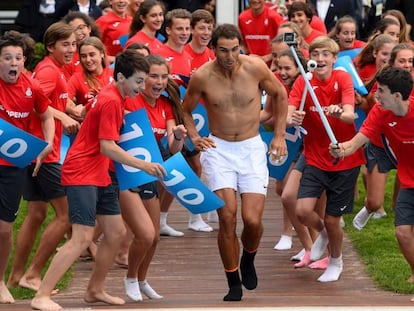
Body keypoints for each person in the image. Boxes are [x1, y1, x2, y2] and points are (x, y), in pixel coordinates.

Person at [30, 49, 166, 311]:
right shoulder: (111, 100)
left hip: (101, 173)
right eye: (138, 81)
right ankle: (42, 295)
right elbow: (107, 147)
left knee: (115, 233)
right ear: (121, 77)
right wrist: (144, 165)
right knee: (81, 237)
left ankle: (95, 290)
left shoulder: (115, 95)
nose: (142, 86)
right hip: (83, 172)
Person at [182, 24, 288, 301]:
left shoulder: (255, 68)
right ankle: (233, 281)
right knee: (226, 217)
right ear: (213, 49)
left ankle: (249, 258)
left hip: (251, 147)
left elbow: (279, 94)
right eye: (223, 50)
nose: (230, 56)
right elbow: (186, 110)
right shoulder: (202, 76)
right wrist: (194, 136)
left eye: (234, 49)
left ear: (240, 46)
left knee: (252, 221)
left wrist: (279, 136)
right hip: (219, 148)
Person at [7, 23, 81, 293]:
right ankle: (34, 274)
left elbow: (52, 102)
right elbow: (40, 104)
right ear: (51, 47)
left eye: (74, 44)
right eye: (66, 45)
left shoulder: (58, 69)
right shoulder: (49, 70)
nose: (72, 50)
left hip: (35, 152)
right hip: (44, 154)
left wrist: (71, 111)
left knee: (37, 213)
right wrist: (62, 117)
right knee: (68, 214)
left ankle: (16, 277)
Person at [288, 36, 365, 282]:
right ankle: (322, 235)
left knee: (333, 219)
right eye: (316, 54)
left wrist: (339, 111)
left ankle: (336, 261)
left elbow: (351, 115)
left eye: (325, 54)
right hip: (314, 156)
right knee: (302, 211)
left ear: (334, 58)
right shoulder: (304, 80)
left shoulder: (342, 78)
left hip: (344, 158)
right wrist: (294, 119)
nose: (320, 59)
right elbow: (289, 116)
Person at [329, 66, 414, 286]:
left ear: (397, 96)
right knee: (403, 233)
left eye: (381, 91)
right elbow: (357, 141)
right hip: (409, 180)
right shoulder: (379, 112)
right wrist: (342, 149)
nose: (376, 96)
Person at [121, 54, 187, 301]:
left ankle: (141, 279)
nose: (159, 82)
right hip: (125, 175)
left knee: (154, 236)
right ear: (142, 77)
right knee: (144, 234)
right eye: (153, 76)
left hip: (148, 176)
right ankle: (128, 278)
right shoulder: (129, 100)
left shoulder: (167, 106)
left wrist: (179, 136)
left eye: (163, 76)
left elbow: (172, 148)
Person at [0, 35, 54, 305]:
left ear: (24, 61)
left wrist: (48, 144)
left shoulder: (32, 86)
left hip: (13, 165)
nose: (13, 63)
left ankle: (0, 281)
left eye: (18, 58)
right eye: (7, 58)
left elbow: (46, 115)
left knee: (4, 228)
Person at [352, 43, 414, 230]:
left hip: (407, 146)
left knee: (406, 181)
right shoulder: (383, 84)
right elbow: (372, 106)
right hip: (381, 146)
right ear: (392, 62)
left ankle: (399, 209)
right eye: (402, 61)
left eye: (411, 61)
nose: (407, 65)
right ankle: (369, 208)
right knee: (374, 201)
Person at [153, 8, 193, 237]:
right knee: (163, 171)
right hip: (157, 118)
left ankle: (161, 219)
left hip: (182, 120)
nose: (184, 32)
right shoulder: (157, 53)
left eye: (188, 28)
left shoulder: (189, 55)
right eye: (179, 28)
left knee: (179, 168)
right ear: (168, 30)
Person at [238, 0, 283, 65]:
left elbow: (283, 44)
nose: (255, 0)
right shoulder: (242, 18)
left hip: (271, 66)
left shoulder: (274, 17)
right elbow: (243, 44)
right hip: (251, 65)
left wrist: (265, 58)